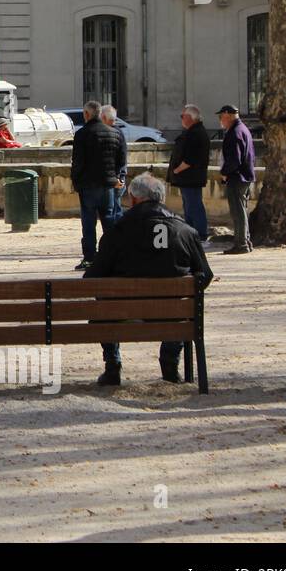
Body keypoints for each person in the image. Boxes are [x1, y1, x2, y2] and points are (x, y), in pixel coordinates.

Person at [85, 172, 213, 386]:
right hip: (171, 315)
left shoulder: (117, 231)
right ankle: (170, 363)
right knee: (178, 312)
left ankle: (112, 365)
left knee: (105, 306)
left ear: (134, 199)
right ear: (161, 199)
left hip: (122, 312)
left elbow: (92, 279)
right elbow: (204, 275)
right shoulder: (185, 231)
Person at [70, 100, 125, 270]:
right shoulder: (114, 133)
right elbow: (120, 160)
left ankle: (90, 258)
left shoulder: (81, 134)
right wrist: (116, 178)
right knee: (109, 221)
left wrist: (76, 182)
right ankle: (112, 256)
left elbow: (77, 163)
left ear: (86, 114)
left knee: (88, 224)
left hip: (88, 185)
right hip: (108, 185)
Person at [217, 104, 255, 255]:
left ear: (227, 115)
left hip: (237, 177)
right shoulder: (242, 129)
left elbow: (234, 159)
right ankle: (245, 240)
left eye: (221, 117)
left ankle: (241, 243)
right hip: (244, 176)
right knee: (242, 210)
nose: (220, 120)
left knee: (238, 212)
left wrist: (225, 173)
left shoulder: (235, 133)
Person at [168, 103, 210, 240]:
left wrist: (177, 170)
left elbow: (191, 158)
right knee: (190, 207)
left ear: (190, 117)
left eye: (182, 116)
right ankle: (192, 234)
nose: (181, 119)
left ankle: (200, 235)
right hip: (188, 178)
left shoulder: (196, 133)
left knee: (194, 207)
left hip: (191, 177)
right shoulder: (193, 132)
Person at [100, 104, 127, 222]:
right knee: (116, 210)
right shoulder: (119, 132)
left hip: (114, 178)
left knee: (113, 212)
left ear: (104, 118)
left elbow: (120, 158)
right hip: (117, 176)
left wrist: (118, 177)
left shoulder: (111, 133)